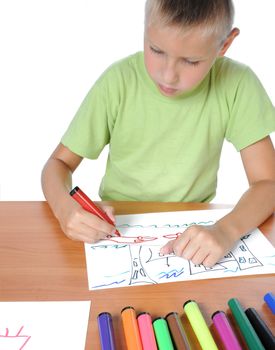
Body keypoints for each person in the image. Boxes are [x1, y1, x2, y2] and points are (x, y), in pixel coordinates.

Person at [41, 0, 275, 267]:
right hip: (115, 228)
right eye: (156, 50)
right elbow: (57, 164)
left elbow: (268, 183)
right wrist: (64, 209)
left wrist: (227, 230)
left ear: (224, 44)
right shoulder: (118, 81)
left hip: (191, 235)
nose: (168, 75)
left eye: (190, 61)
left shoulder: (237, 84)